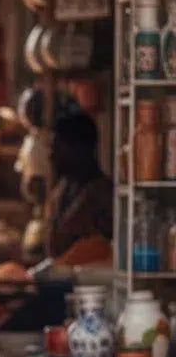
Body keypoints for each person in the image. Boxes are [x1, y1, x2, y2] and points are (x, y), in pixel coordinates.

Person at [47, 111, 113, 259]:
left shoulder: (104, 195)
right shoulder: (60, 192)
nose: (51, 155)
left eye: (58, 147)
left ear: (81, 148)